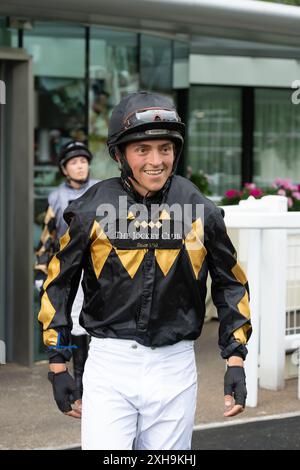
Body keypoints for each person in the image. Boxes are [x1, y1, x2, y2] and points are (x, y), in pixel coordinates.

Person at [38, 92, 252, 450]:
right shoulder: (90, 208)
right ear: (120, 154)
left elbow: (232, 284)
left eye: (165, 149)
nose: (156, 161)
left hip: (176, 366)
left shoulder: (200, 209)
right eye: (143, 150)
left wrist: (235, 359)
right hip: (109, 364)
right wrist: (58, 363)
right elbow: (57, 285)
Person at [35, 140, 99, 396]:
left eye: (83, 161)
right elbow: (48, 237)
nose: (80, 166)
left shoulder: (100, 191)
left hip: (98, 267)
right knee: (74, 323)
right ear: (65, 169)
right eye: (74, 162)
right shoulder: (57, 198)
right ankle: (80, 382)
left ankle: (98, 382)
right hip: (71, 268)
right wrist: (41, 271)